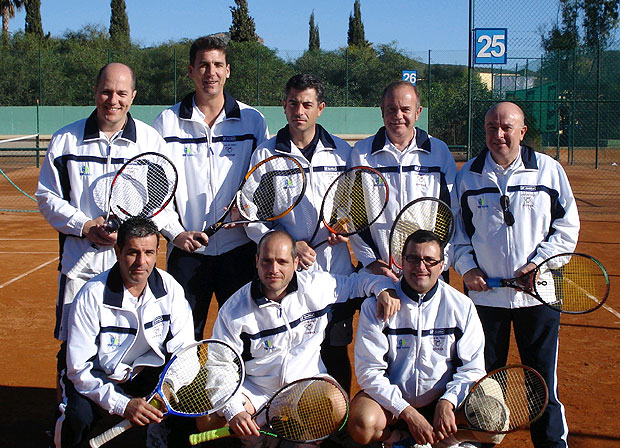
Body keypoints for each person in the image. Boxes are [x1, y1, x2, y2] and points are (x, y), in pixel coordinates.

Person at [196, 230, 400, 447]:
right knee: (208, 419)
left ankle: (304, 439)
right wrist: (234, 411)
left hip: (305, 386)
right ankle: (258, 434)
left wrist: (383, 288)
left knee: (334, 404)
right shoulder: (234, 309)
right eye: (267, 261)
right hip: (257, 390)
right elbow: (220, 364)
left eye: (282, 262)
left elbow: (358, 282)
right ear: (256, 261)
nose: (274, 269)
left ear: (295, 262)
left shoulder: (316, 286)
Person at [452, 102, 579, 448]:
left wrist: (539, 264)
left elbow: (566, 229)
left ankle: (552, 444)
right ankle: (483, 442)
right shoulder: (468, 176)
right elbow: (457, 236)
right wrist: (469, 268)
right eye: (492, 128)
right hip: (485, 300)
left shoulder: (548, 171)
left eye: (507, 127)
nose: (499, 135)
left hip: (537, 296)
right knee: (486, 385)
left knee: (540, 384)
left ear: (522, 132)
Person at [36, 62, 169, 392]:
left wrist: (127, 234)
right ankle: (69, 419)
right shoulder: (66, 140)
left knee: (136, 348)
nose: (113, 100)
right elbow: (47, 196)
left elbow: (162, 202)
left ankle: (131, 414)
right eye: (106, 91)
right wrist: (84, 226)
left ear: (133, 96)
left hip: (132, 270)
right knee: (73, 349)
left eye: (122, 93)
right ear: (95, 92)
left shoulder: (150, 141)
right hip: (79, 270)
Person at [152, 35, 269, 340]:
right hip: (187, 253)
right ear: (191, 70)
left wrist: (246, 215)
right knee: (181, 338)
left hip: (240, 251)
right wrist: (174, 232)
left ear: (228, 70)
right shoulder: (166, 123)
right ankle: (181, 389)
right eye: (203, 65)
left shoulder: (253, 121)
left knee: (243, 336)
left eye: (218, 65)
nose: (210, 72)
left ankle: (238, 389)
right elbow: (155, 193)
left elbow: (262, 184)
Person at [245, 73, 356, 392]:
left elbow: (352, 205)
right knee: (291, 354)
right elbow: (253, 219)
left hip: (335, 273)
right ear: (283, 105)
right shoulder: (266, 155)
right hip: (287, 278)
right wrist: (290, 248)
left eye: (307, 104)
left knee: (335, 352)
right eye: (293, 103)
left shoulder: (341, 153)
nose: (299, 110)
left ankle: (336, 427)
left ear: (320, 108)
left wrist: (343, 225)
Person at [54, 217, 196, 447]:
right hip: (100, 375)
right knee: (77, 417)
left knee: (188, 402)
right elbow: (80, 369)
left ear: (157, 252)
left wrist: (168, 388)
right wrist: (123, 405)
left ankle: (162, 436)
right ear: (118, 250)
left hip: (148, 376)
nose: (141, 262)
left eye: (149, 253)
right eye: (133, 252)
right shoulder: (91, 295)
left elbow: (185, 351)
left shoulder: (171, 289)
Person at [348, 230, 486, 448]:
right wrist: (407, 412)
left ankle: (446, 441)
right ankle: (398, 439)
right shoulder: (375, 305)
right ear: (402, 261)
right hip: (394, 407)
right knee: (362, 423)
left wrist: (447, 402)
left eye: (430, 260)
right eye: (413, 258)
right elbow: (369, 372)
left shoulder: (461, 306)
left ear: (442, 266)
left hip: (440, 403)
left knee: (491, 415)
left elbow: (473, 368)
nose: (421, 267)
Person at [348, 80, 457, 281]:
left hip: (429, 272)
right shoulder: (361, 153)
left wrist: (438, 262)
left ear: (418, 112)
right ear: (382, 111)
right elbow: (354, 215)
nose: (398, 116)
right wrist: (371, 261)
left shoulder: (439, 151)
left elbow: (451, 212)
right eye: (391, 109)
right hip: (381, 272)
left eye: (405, 109)